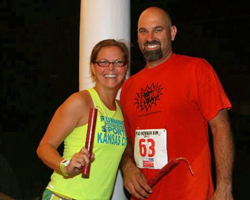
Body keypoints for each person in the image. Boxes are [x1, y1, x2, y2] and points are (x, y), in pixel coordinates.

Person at [120, 6, 234, 200]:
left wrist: (224, 187)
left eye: (158, 30)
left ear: (172, 33)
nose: (150, 38)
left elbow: (220, 127)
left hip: (191, 194)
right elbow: (127, 140)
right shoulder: (128, 87)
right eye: (143, 31)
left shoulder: (197, 69)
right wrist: (127, 166)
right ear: (137, 38)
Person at [37, 39, 128, 200]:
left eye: (118, 62)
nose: (111, 67)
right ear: (93, 67)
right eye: (103, 62)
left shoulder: (122, 110)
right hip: (64, 196)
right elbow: (44, 146)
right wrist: (66, 166)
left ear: (125, 67)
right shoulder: (81, 101)